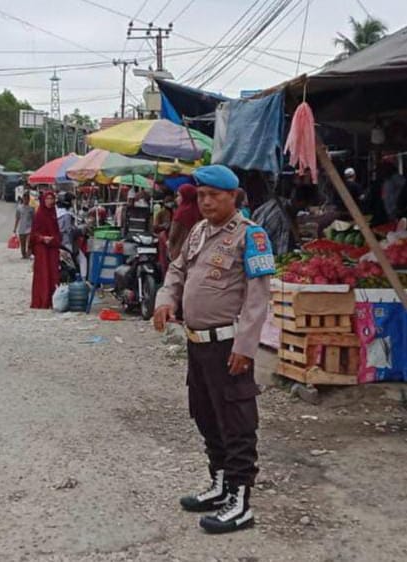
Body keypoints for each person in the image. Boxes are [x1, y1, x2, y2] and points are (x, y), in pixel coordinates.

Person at [153, 164, 273, 534]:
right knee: (206, 416)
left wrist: (246, 346)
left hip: (228, 346)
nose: (206, 202)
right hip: (197, 344)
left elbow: (258, 298)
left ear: (233, 196)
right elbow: (176, 270)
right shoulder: (198, 232)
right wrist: (164, 298)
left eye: (214, 195)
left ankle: (240, 502)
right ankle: (220, 484)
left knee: (237, 423)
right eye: (201, 195)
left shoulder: (250, 237)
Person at [252, 185, 314, 255]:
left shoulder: (275, 202)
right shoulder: (284, 220)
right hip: (262, 251)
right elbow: (282, 252)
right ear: (302, 203)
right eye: (307, 205)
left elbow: (255, 215)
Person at [30, 191, 61, 309]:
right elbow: (33, 234)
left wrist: (53, 239)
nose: (50, 201)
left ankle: (52, 300)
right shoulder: (39, 214)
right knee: (43, 274)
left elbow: (57, 232)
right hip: (41, 248)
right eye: (47, 198)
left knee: (53, 273)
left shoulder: (53, 214)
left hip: (52, 247)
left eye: (51, 198)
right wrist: (42, 238)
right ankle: (41, 300)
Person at [168, 184, 202, 261]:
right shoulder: (201, 211)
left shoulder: (181, 213)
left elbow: (173, 235)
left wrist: (170, 248)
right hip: (197, 252)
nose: (176, 199)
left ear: (186, 197)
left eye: (179, 196)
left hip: (180, 252)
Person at [14, 192, 35, 259]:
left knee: (29, 243)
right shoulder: (19, 208)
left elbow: (34, 218)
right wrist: (15, 228)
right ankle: (24, 255)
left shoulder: (31, 208)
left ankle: (29, 254)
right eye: (25, 198)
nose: (26, 200)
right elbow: (17, 218)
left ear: (29, 199)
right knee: (22, 244)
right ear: (23, 199)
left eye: (27, 199)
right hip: (22, 228)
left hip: (29, 228)